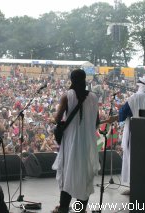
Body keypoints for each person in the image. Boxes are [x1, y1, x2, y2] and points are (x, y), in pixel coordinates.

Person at [52, 69, 106, 213]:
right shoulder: (94, 97)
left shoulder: (67, 96)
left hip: (70, 142)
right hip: (87, 142)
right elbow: (97, 121)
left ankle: (63, 208)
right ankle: (80, 209)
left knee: (68, 172)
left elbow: (57, 119)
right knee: (84, 173)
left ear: (72, 79)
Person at [109, 76, 145, 195]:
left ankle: (134, 187)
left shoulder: (135, 98)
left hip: (135, 133)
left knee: (132, 158)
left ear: (142, 86)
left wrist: (121, 122)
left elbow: (123, 112)